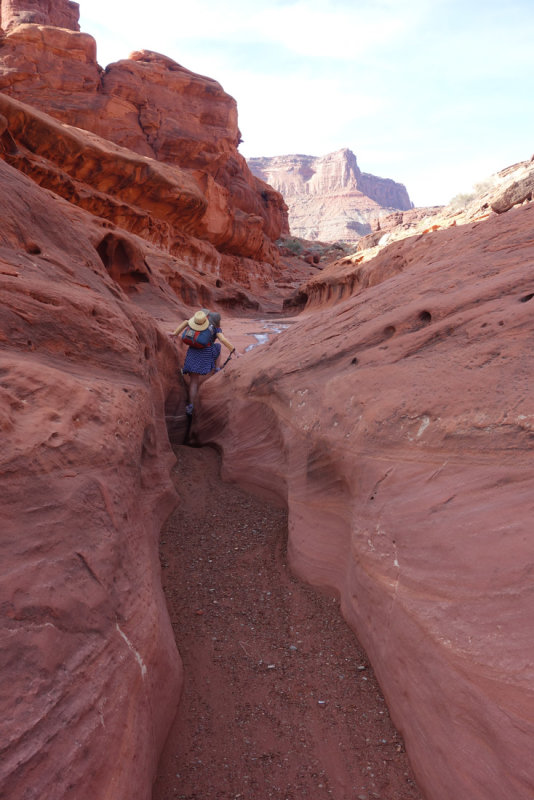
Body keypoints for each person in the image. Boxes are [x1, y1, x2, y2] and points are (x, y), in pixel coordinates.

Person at [170, 309, 238, 414]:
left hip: (192, 353)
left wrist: (175, 334)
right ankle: (217, 369)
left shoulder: (193, 323)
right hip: (206, 354)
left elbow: (185, 323)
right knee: (218, 347)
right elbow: (223, 340)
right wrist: (234, 351)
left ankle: (191, 406)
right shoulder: (216, 329)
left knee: (194, 382)